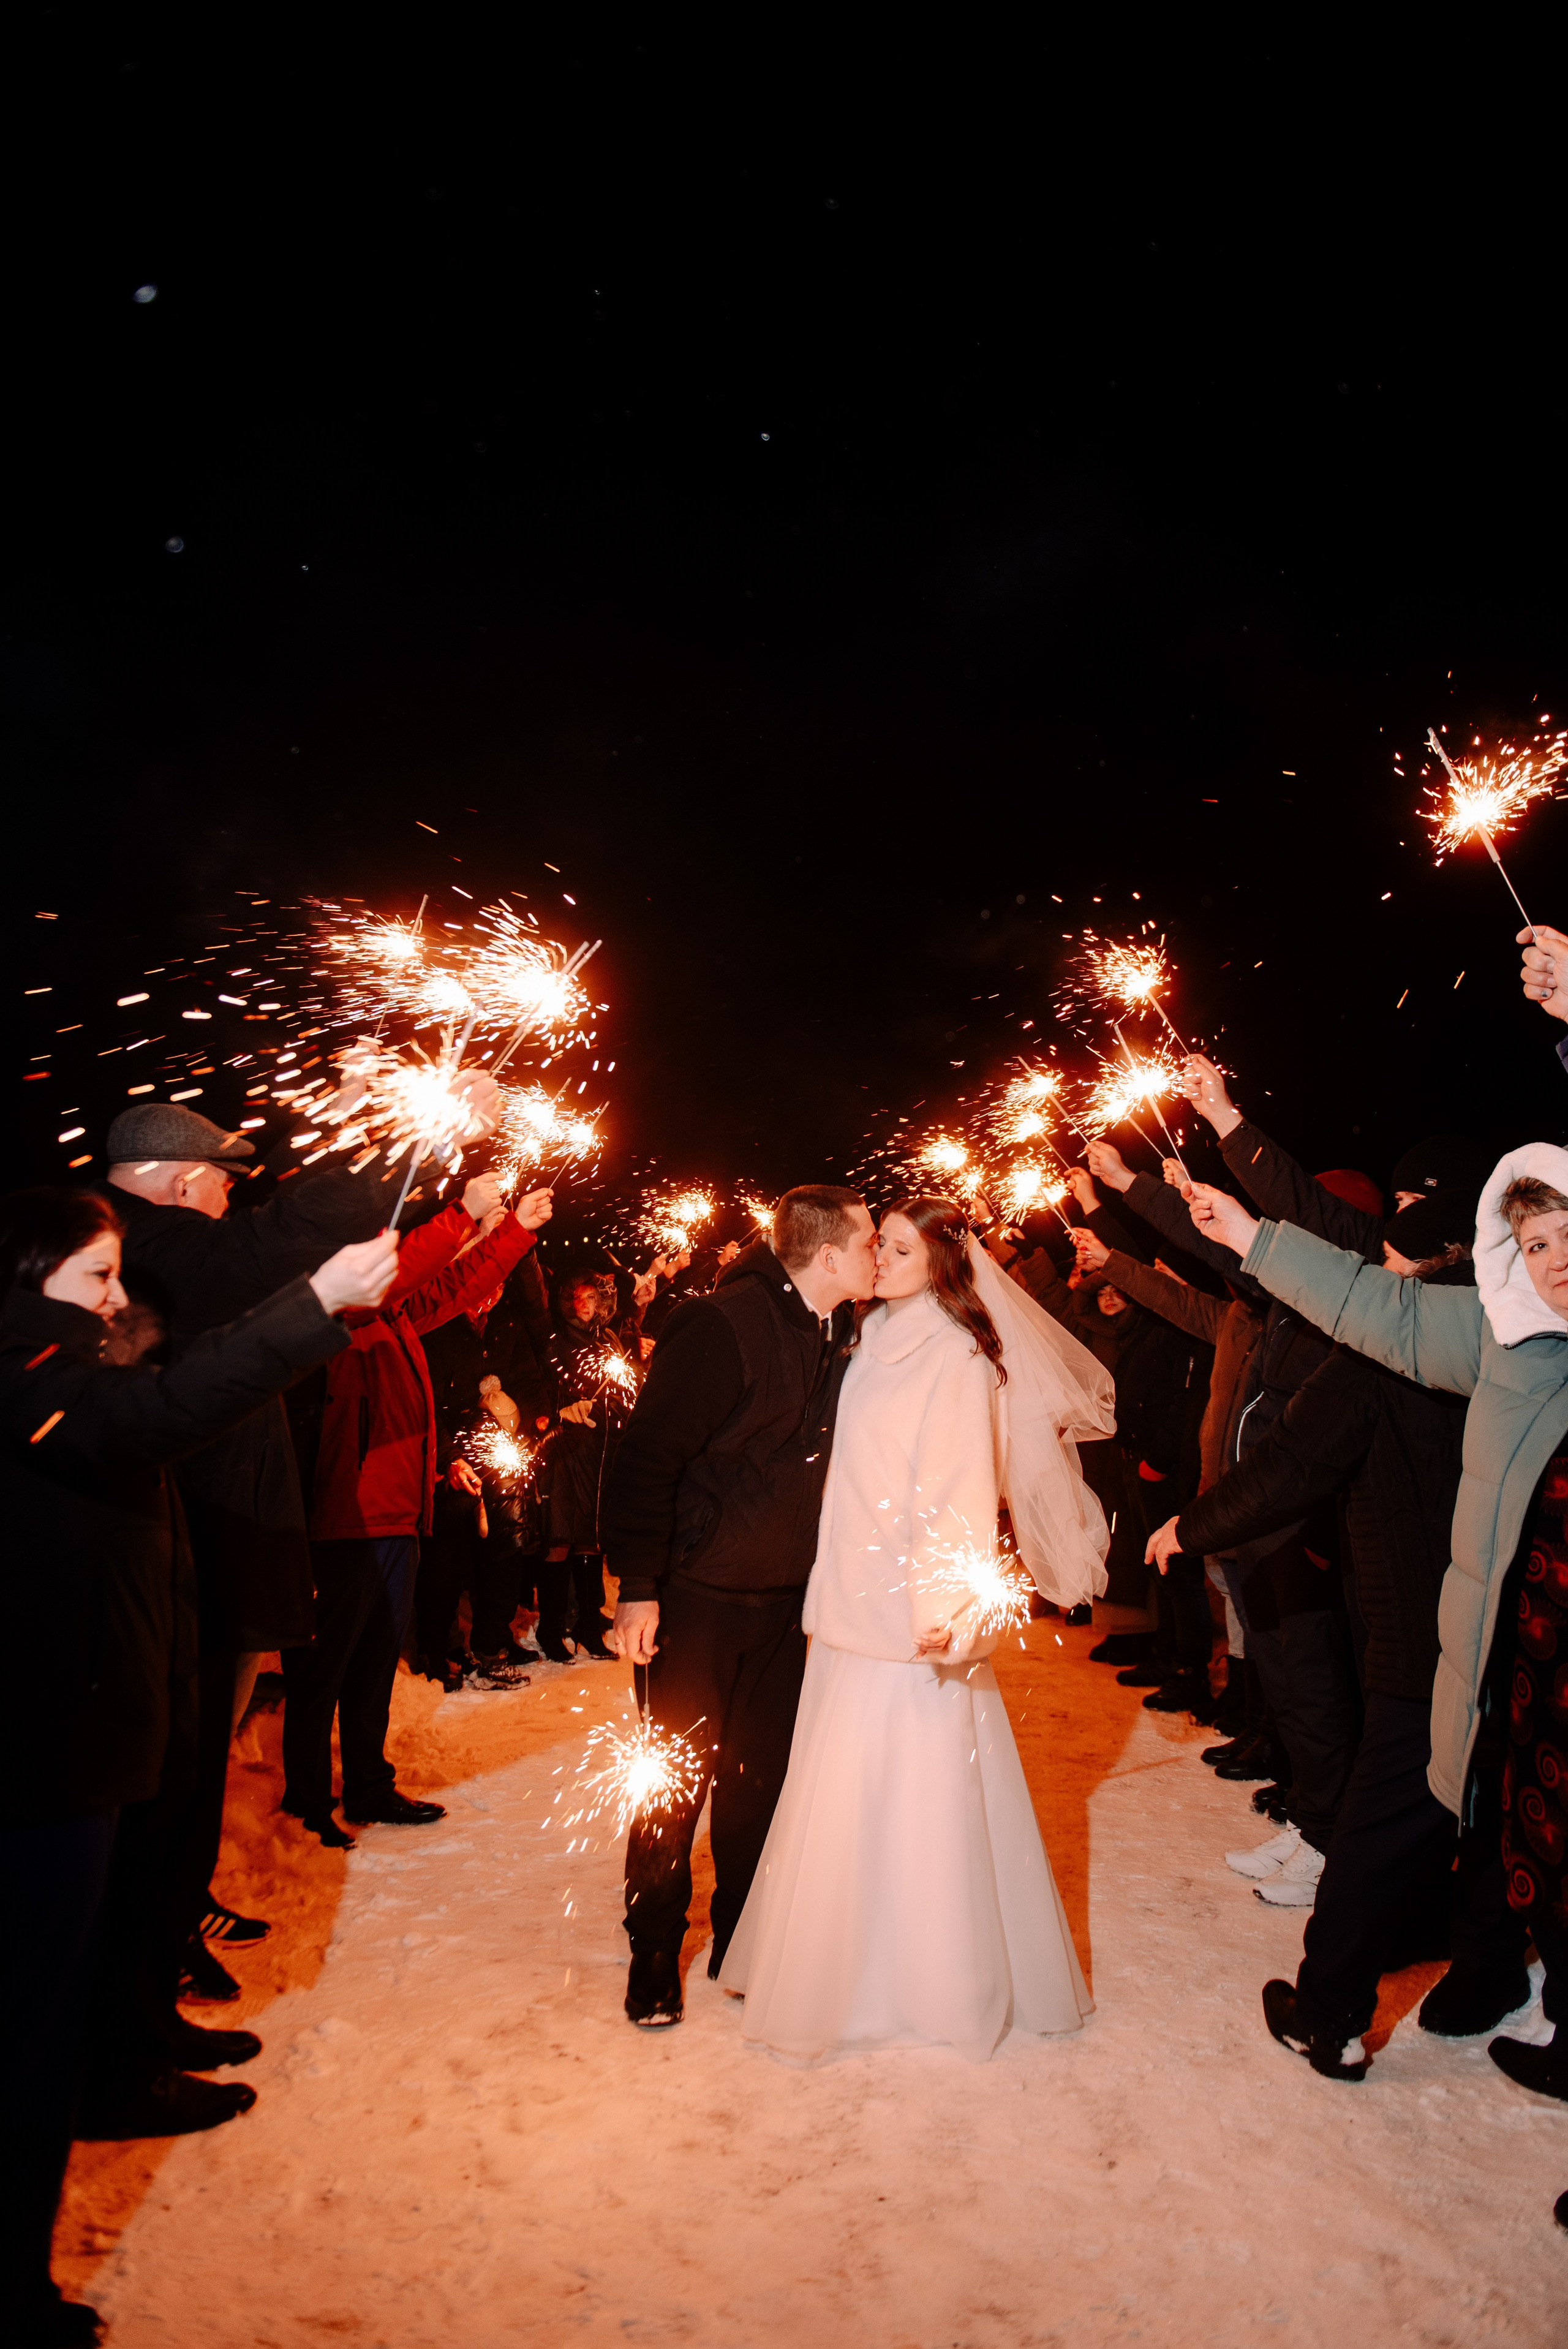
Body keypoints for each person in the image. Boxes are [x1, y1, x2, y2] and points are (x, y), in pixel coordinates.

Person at [0, 1184, 398, 2348]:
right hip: (42, 1759)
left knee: (48, 2019)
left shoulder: (69, 1363)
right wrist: (315, 1301)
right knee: (28, 2038)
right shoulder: (31, 1377)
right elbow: (162, 1411)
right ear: (28, 1279)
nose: (118, 1298)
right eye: (97, 1278)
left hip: (79, 1744)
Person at [93, 1090, 496, 2014]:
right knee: (174, 1769)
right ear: (182, 1181)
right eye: (223, 1185)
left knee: (193, 1766)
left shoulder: (161, 1250)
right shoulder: (151, 1249)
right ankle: (143, 1972)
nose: (231, 1201)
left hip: (218, 1546)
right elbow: (276, 1248)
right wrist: (399, 1130)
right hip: (190, 1552)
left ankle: (168, 1928)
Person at [1183, 1152, 1568, 2097]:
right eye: (1534, 1244)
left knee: (1426, 1814)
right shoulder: (1510, 1338)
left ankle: (1374, 1999)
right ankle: (1454, 1983)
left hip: (1476, 1648)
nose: (1555, 1259)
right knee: (1499, 1817)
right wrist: (1247, 1234)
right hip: (1499, 1646)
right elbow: (1379, 1308)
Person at [718, 1194, 1114, 2062]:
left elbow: (958, 1492)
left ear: (940, 1264)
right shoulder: (866, 1337)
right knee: (838, 1785)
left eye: (899, 1248)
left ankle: (929, 1981)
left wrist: (945, 1607)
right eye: (880, 1245)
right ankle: (826, 1962)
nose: (880, 1258)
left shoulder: (958, 1355)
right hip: (845, 1603)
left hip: (908, 1616)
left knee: (915, 1789)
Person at [600, 1185, 878, 2027]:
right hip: (698, 1600)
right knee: (674, 1782)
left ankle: (742, 1937)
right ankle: (654, 1948)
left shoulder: (839, 1327)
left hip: (785, 1605)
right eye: (868, 1242)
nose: (876, 1255)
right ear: (826, 1255)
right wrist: (638, 1586)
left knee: (759, 1785)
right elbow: (645, 1459)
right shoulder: (720, 1326)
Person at [281, 1186, 553, 1845]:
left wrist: (513, 1231)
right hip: (346, 1514)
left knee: (374, 1661)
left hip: (397, 1512)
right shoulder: (335, 1304)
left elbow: (455, 1287)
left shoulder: (394, 1313)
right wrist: (462, 1214)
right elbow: (409, 1272)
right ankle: (306, 1799)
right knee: (325, 1666)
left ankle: (368, 1785)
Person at [539, 1272, 639, 1661]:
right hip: (567, 1450)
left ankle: (587, 1622)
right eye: (578, 1297)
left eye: (591, 1298)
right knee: (560, 1538)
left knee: (590, 1538)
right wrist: (562, 1409)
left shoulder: (608, 1338)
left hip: (601, 1452)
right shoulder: (558, 1338)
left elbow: (626, 1388)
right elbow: (546, 1387)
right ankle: (551, 1628)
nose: (584, 1304)